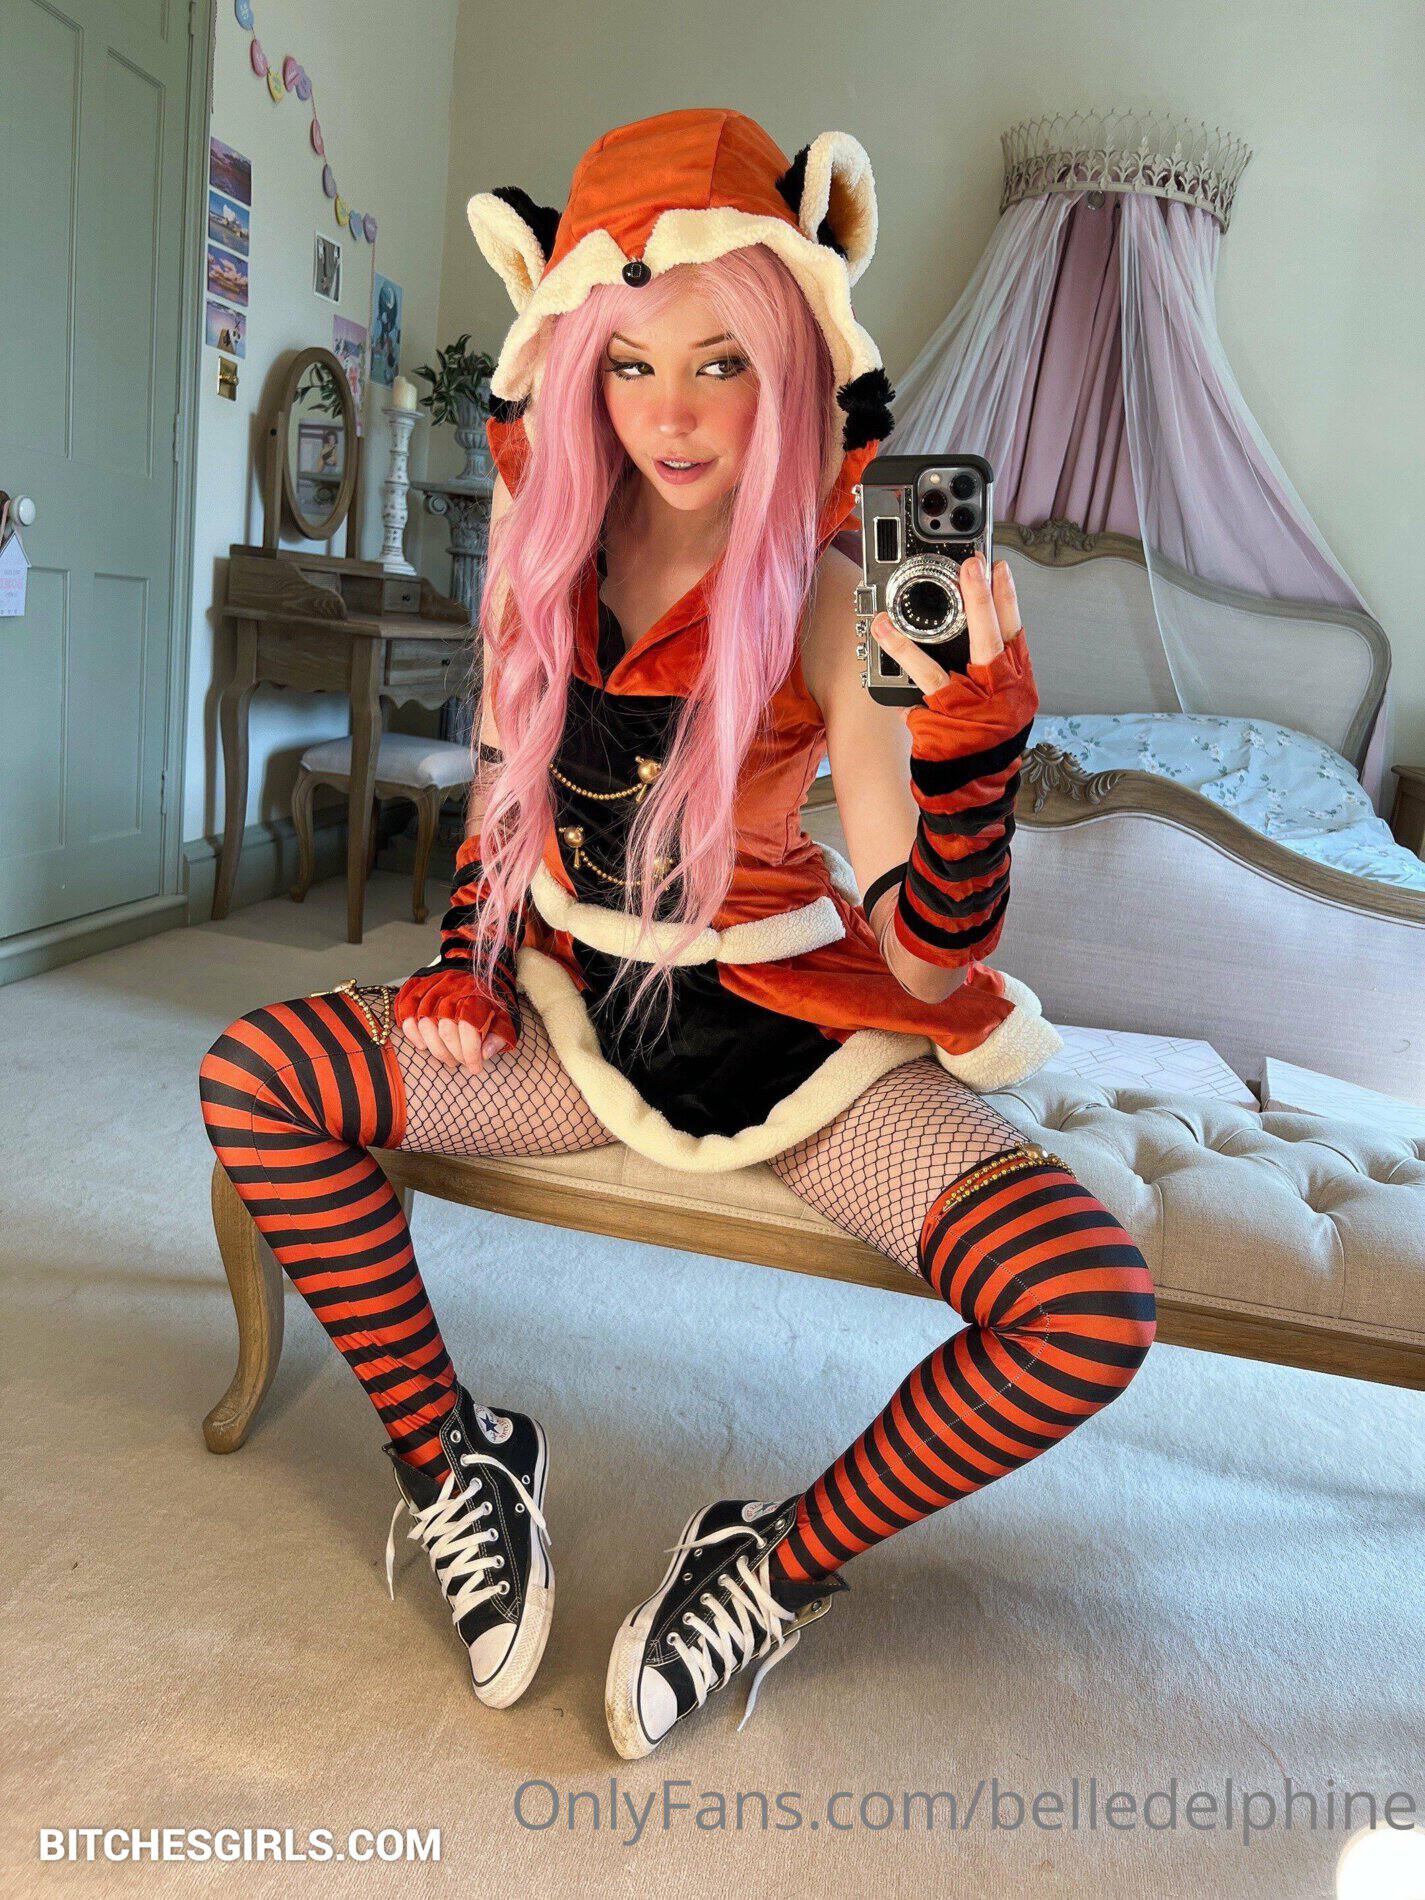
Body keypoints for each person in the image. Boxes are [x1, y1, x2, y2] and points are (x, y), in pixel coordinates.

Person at [199, 107, 1156, 1757]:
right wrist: (464, 961)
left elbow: (925, 956)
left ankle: (770, 1563)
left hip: (781, 1021)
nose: (673, 413)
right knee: (252, 1076)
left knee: (1086, 1303)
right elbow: (499, 812)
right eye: (632, 365)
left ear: (792, 364)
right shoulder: (541, 557)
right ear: (575, 364)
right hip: (575, 1007)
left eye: (722, 363)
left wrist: (970, 751)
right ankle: (454, 1459)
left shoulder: (841, 592)